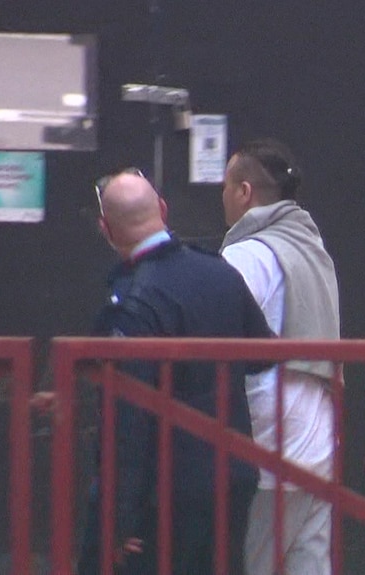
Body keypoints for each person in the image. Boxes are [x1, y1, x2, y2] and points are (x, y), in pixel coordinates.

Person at [77, 168, 274, 574]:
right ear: (163, 210)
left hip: (162, 495)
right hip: (229, 477)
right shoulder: (220, 272)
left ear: (106, 228)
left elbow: (127, 420)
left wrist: (118, 517)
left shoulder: (134, 300)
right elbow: (262, 354)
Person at [219, 138, 340, 575]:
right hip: (317, 441)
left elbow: (220, 337)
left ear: (244, 192)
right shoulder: (314, 251)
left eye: (225, 186)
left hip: (268, 445)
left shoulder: (246, 255)